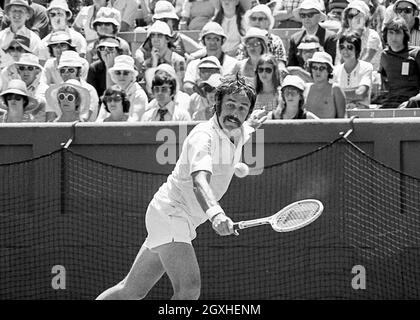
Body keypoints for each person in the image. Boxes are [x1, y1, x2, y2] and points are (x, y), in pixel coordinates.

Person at [96, 74, 267, 300]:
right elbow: (199, 181)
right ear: (217, 105)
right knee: (189, 290)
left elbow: (242, 129)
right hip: (171, 213)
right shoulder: (203, 137)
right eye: (230, 105)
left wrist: (252, 123)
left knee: (131, 290)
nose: (235, 113)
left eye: (243, 108)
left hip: (174, 217)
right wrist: (216, 214)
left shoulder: (238, 129)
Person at [136, 1, 202, 63]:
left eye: (165, 20)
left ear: (172, 21)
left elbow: (202, 50)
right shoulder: (152, 38)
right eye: (159, 20)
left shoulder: (179, 38)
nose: (162, 23)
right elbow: (141, 51)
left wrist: (191, 57)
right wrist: (140, 56)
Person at [183, 21, 237, 95]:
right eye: (208, 38)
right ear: (203, 41)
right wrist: (201, 92)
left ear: (223, 40)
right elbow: (187, 85)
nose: (212, 42)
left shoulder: (234, 64)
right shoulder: (193, 64)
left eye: (216, 39)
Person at [379, 17, 420, 108]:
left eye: (398, 33)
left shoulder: (416, 53)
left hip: (412, 102)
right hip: (390, 102)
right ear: (386, 35)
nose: (394, 37)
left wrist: (413, 101)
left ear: (405, 35)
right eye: (391, 33)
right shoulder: (384, 55)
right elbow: (383, 86)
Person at [97, 55, 148, 122]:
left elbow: (136, 123)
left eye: (126, 73)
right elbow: (100, 119)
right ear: (113, 75)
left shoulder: (139, 95)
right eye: (118, 73)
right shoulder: (111, 92)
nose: (121, 76)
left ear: (132, 75)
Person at [288, 0, 337, 67]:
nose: (306, 18)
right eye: (303, 15)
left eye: (310, 15)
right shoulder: (295, 38)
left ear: (319, 16)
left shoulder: (330, 37)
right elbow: (291, 65)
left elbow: (331, 64)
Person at [238, 4, 287, 72]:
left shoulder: (275, 40)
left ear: (268, 22)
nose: (257, 22)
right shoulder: (245, 41)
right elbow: (240, 63)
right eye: (253, 18)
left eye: (260, 19)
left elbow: (280, 63)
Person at [336, 0, 382, 70]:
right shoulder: (343, 37)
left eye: (358, 16)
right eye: (351, 16)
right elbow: (340, 62)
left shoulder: (373, 36)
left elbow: (365, 60)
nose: (354, 19)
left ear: (366, 18)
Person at [333, 31, 373, 109]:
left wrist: (338, 94)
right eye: (342, 47)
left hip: (361, 113)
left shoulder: (366, 67)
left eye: (350, 47)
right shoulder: (335, 70)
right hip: (340, 112)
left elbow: (360, 93)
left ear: (357, 49)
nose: (345, 51)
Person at [142, 20, 186, 88]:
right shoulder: (148, 63)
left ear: (167, 39)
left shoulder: (178, 60)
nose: (155, 39)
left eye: (159, 35)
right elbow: (150, 89)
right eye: (153, 36)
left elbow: (179, 87)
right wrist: (154, 64)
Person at [305, 51, 346, 118]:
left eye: (322, 68)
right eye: (315, 68)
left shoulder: (335, 89)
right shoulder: (306, 88)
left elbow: (343, 121)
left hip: (331, 128)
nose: (318, 71)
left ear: (329, 70)